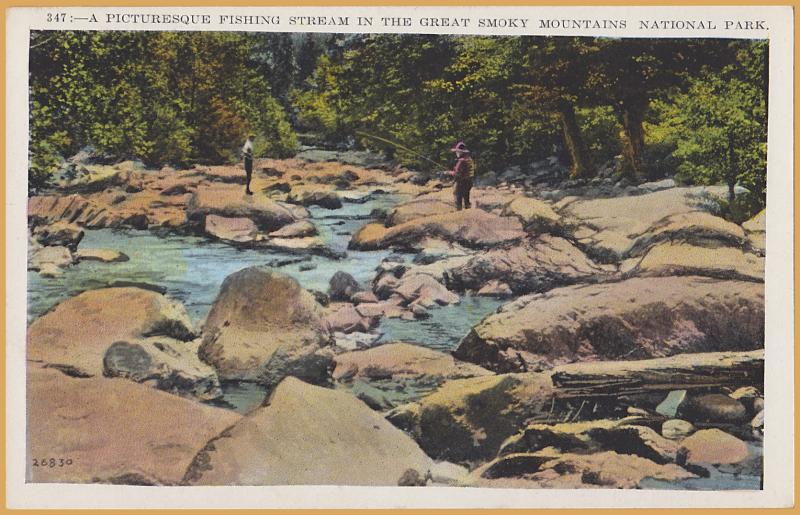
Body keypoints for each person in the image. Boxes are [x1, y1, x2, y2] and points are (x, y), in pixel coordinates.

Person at [444, 141, 474, 210]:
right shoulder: (469, 159)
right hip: (469, 182)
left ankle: (459, 212)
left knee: (458, 198)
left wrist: (447, 172)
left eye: (457, 151)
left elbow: (456, 173)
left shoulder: (461, 161)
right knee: (466, 198)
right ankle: (468, 210)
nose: (456, 153)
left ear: (461, 152)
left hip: (461, 183)